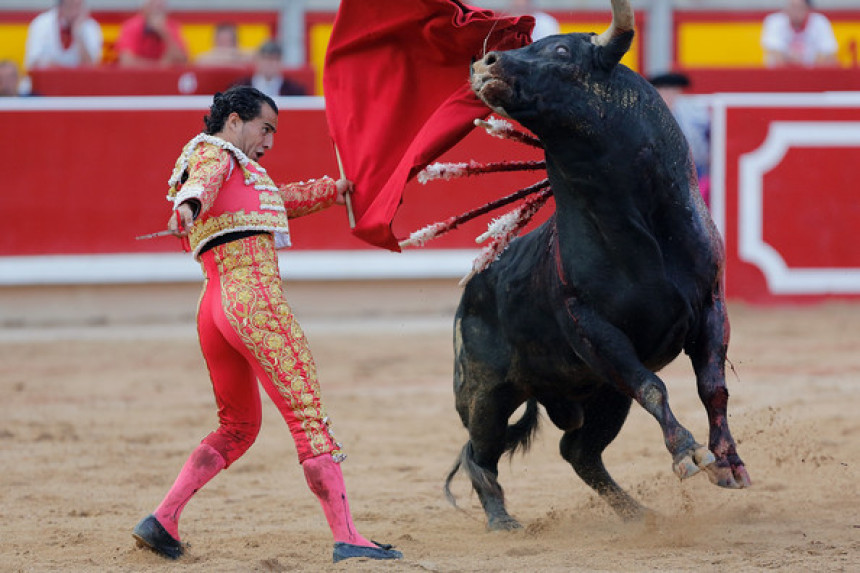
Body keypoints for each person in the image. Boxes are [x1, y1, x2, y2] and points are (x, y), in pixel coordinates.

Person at [131, 85, 402, 564]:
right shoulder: (215, 154)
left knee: (237, 427)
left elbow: (273, 200)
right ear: (234, 120)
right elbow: (204, 185)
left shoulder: (230, 167)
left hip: (213, 309)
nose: (269, 140)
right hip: (253, 302)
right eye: (265, 127)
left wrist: (331, 192)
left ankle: (163, 519)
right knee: (307, 417)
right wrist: (188, 206)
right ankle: (347, 537)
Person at [649, 71, 711, 205]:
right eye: (665, 90)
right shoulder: (648, 112)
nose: (670, 95)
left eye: (674, 90)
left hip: (695, 167)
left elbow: (709, 138)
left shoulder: (696, 112)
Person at [24, 0, 102, 69]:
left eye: (78, 5)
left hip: (78, 83)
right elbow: (34, 63)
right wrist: (66, 71)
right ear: (60, 5)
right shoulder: (41, 23)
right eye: (70, 5)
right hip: (46, 82)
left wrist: (78, 34)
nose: (74, 10)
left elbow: (91, 67)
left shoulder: (91, 27)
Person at [761, 0, 838, 68]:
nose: (794, 11)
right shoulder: (775, 21)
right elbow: (775, 54)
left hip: (813, 75)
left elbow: (827, 53)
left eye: (799, 8)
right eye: (792, 7)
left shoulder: (820, 21)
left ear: (808, 9)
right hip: (780, 75)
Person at [115, 0, 188, 67]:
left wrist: (165, 34)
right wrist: (160, 65)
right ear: (144, 8)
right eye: (153, 5)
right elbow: (126, 62)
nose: (156, 10)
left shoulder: (171, 26)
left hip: (164, 78)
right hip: (138, 78)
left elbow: (182, 61)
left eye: (160, 6)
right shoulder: (132, 26)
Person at [235, 40, 306, 97]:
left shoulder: (295, 91)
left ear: (281, 62)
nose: (270, 63)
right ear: (256, 60)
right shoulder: (240, 88)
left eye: (275, 59)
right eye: (266, 58)